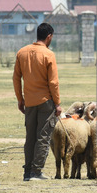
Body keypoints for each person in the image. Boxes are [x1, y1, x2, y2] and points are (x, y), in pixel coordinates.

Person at [13, 23, 62, 181]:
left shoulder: (22, 52)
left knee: (30, 137)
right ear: (49, 37)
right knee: (43, 137)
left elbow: (16, 77)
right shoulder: (48, 55)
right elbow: (53, 83)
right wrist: (58, 103)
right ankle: (36, 171)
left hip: (30, 102)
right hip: (46, 102)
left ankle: (27, 172)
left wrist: (20, 99)